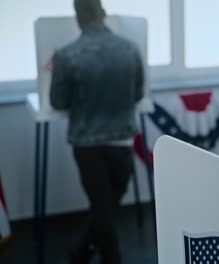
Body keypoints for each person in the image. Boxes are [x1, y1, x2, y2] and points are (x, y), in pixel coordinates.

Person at [50, 0, 144, 263]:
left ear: (78, 18)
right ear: (103, 14)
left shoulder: (66, 55)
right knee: (108, 202)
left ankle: (88, 252)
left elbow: (58, 101)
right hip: (121, 137)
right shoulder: (130, 49)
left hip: (86, 141)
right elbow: (137, 94)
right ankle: (99, 254)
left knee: (102, 204)